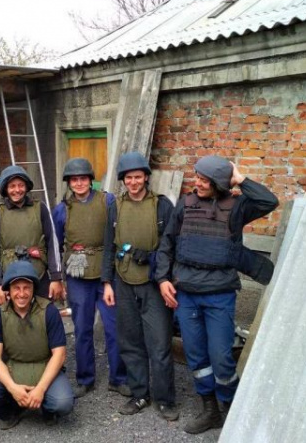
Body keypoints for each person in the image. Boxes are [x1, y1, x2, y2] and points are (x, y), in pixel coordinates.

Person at [156, 155, 278, 434]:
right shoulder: (185, 205)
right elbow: (167, 245)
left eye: (204, 179)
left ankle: (231, 406)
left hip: (219, 295)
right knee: (196, 356)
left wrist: (240, 179)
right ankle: (210, 410)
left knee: (222, 357)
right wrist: (163, 279)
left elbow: (268, 202)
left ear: (219, 183)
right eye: (197, 177)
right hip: (186, 294)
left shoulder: (236, 207)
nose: (197, 182)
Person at [102, 152, 178, 420]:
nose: (133, 182)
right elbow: (109, 245)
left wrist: (165, 279)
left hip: (153, 284)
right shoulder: (115, 207)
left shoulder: (162, 206)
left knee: (159, 343)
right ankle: (139, 394)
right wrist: (106, 283)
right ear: (123, 180)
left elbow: (171, 247)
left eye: (138, 177)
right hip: (122, 282)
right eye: (128, 178)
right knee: (130, 342)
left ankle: (165, 399)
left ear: (146, 177)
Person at [52, 158, 129, 398]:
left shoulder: (107, 201)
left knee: (114, 327)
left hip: (106, 272)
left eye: (83, 179)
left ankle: (119, 378)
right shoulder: (62, 209)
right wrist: (56, 277)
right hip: (77, 275)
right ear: (69, 183)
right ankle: (85, 378)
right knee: (82, 328)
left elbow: (119, 232)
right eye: (74, 180)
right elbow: (55, 243)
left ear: (90, 180)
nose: (79, 183)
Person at [0, 260, 74, 429]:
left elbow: (59, 354)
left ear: (33, 289)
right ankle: (12, 409)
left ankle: (47, 409)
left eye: (26, 287)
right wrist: (12, 388)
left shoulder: (49, 311)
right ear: (9, 290)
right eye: (16, 288)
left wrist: (40, 389)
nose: (22, 294)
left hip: (44, 367)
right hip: (13, 368)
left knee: (63, 403)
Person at [0, 165, 63, 305]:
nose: (17, 190)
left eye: (20, 185)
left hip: (39, 276)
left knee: (44, 319)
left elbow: (52, 243)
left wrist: (56, 277)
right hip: (8, 279)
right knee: (10, 323)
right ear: (5, 189)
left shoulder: (40, 208)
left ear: (26, 187)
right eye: (12, 186)